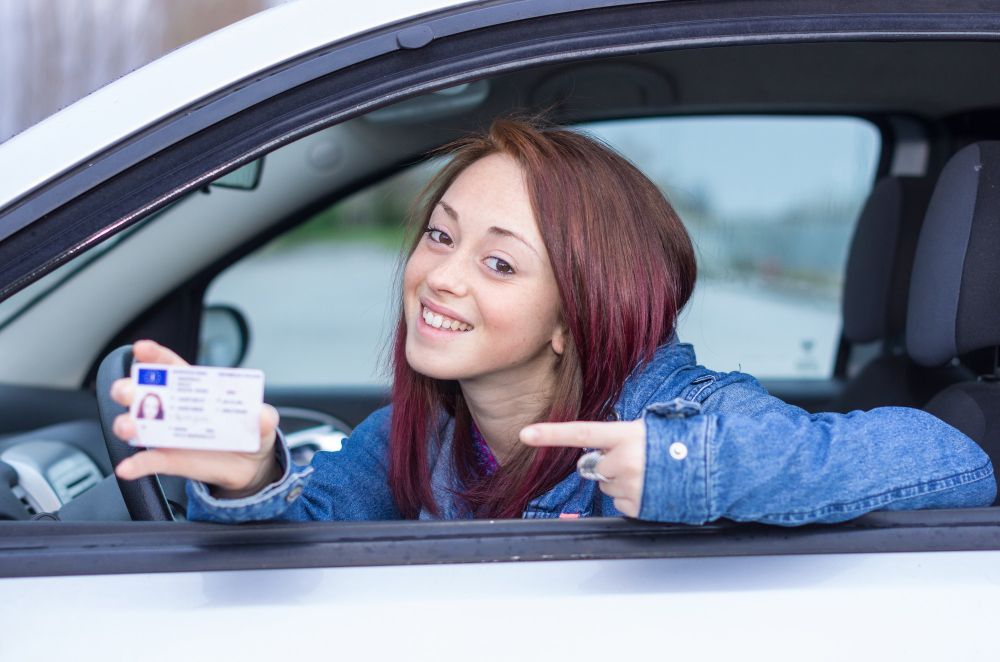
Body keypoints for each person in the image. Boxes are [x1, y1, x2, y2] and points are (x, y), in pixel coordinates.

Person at [108, 118, 996, 525]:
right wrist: (250, 474)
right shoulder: (417, 436)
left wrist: (688, 470)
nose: (438, 279)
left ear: (577, 313)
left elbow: (950, 460)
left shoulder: (681, 412)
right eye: (438, 236)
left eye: (498, 262)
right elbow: (311, 537)